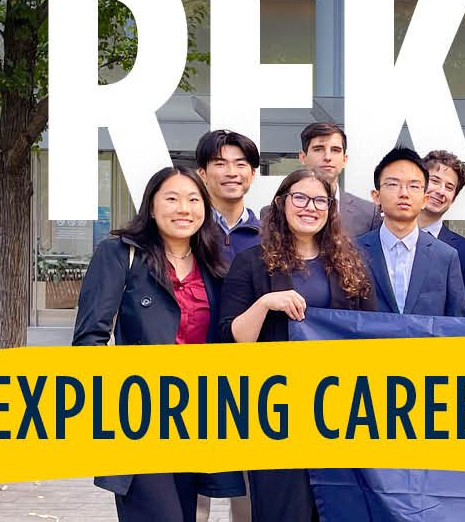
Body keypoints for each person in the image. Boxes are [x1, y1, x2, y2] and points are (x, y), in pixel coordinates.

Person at [73, 166, 244, 521]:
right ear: (151, 207)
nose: (184, 208)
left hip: (199, 418)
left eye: (194, 199)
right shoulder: (120, 254)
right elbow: (89, 338)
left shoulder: (214, 265)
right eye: (172, 198)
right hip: (140, 418)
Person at [220, 168, 376, 522]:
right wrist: (265, 303)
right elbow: (232, 338)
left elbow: (371, 333)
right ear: (281, 203)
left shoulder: (351, 263)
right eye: (300, 198)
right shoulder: (251, 262)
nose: (311, 207)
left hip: (338, 413)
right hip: (276, 414)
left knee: (338, 509)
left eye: (320, 200)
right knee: (281, 509)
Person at [358, 147, 465, 316]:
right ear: (376, 196)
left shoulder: (446, 257)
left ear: (425, 199)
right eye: (393, 184)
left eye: (414, 186)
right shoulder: (353, 252)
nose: (404, 193)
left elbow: (456, 321)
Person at [264, 122, 378, 237]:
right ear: (303, 157)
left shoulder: (368, 214)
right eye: (318, 149)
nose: (327, 157)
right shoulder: (271, 213)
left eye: (335, 150)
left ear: (344, 160)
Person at [418, 149, 465, 314]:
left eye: (449, 187)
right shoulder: (384, 237)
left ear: (453, 198)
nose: (440, 191)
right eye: (434, 180)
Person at [195, 129, 262, 264]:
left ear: (253, 173)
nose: (232, 173)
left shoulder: (269, 236)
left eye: (240, 164)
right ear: (202, 174)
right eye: (220, 164)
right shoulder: (191, 231)